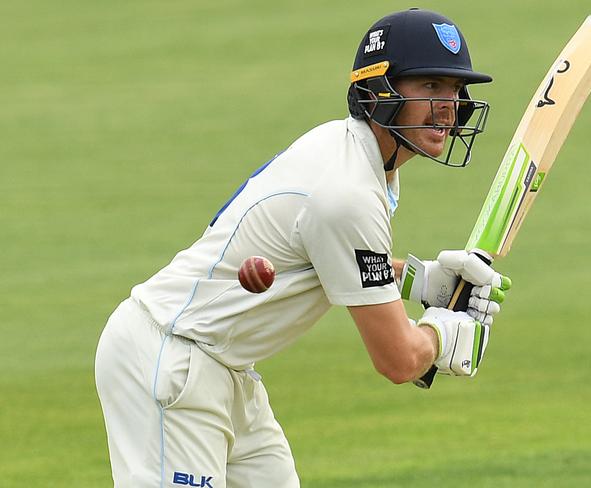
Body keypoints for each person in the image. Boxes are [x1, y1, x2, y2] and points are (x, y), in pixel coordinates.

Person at [95, 8, 511, 488]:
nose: (450, 106)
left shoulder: (355, 154)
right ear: (378, 91)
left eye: (456, 90)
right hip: (172, 359)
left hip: (224, 364)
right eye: (431, 87)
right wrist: (444, 336)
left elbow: (336, 261)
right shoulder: (348, 191)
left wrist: (421, 281)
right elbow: (398, 359)